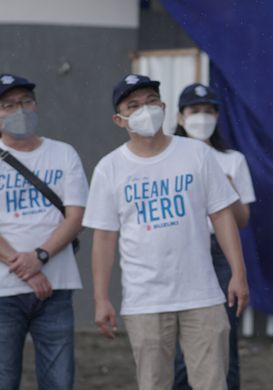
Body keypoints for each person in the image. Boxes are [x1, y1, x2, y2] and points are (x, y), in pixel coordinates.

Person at [84, 74, 250, 390]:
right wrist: (101, 298)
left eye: (150, 102)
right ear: (119, 120)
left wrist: (238, 274)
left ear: (162, 106)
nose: (144, 110)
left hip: (202, 293)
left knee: (213, 382)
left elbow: (222, 216)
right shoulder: (109, 168)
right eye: (133, 105)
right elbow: (104, 237)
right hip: (144, 298)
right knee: (154, 383)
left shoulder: (197, 154)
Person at [0, 74, 88, 390]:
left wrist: (40, 256)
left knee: (58, 381)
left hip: (57, 287)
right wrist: (25, 267)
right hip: (3, 293)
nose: (18, 110)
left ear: (35, 106)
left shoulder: (63, 153)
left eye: (25, 102)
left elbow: (76, 215)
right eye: (7, 105)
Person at [172, 83, 256, 390]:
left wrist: (226, 188)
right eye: (195, 111)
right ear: (180, 116)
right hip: (180, 250)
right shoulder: (168, 156)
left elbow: (243, 219)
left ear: (218, 116)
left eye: (208, 111)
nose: (201, 117)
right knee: (179, 338)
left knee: (223, 335)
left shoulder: (232, 159)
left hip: (220, 251)